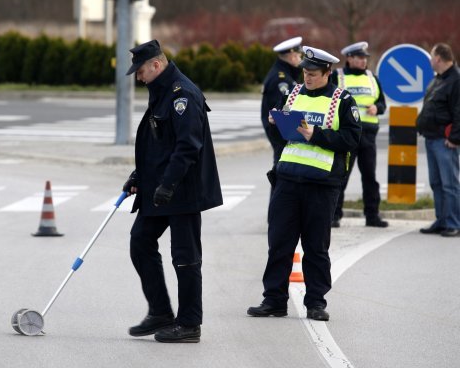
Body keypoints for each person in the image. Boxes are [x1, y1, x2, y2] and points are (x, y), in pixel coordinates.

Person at [247, 46, 361, 321]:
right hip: (287, 180)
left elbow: (351, 139)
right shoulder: (294, 93)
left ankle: (316, 303)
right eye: (305, 72)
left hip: (321, 186)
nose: (307, 78)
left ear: (327, 72)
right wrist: (277, 122)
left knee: (315, 247)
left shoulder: (342, 100)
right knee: (279, 244)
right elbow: (284, 133)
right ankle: (274, 300)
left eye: (312, 74)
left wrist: (317, 135)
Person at [123, 40, 223, 343]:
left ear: (156, 64)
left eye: (140, 71)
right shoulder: (162, 92)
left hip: (183, 190)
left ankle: (190, 323)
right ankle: (161, 312)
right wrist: (140, 175)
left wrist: (167, 184)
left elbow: (187, 146)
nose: (138, 78)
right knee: (140, 242)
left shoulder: (183, 95)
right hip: (161, 188)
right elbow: (160, 143)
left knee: (185, 257)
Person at [331, 41, 388, 228]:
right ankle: (334, 215)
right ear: (349, 58)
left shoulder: (373, 78)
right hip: (346, 135)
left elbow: (382, 104)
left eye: (365, 58)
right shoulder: (337, 76)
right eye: (359, 58)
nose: (364, 61)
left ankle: (372, 216)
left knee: (370, 178)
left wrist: (376, 107)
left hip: (368, 136)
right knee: (341, 176)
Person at [417, 43, 460, 237]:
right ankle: (442, 220)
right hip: (432, 137)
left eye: (431, 57)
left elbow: (459, 111)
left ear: (438, 59)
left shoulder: (455, 80)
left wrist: (455, 138)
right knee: (436, 182)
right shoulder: (439, 79)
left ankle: (453, 223)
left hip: (445, 140)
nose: (430, 61)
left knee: (449, 183)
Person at [261, 36, 303, 166]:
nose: (301, 60)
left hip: (284, 137)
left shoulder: (286, 75)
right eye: (299, 56)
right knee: (281, 178)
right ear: (292, 57)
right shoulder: (281, 80)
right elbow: (283, 112)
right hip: (282, 138)